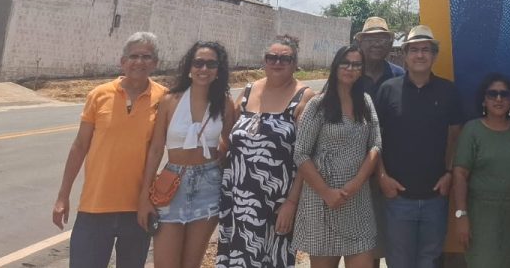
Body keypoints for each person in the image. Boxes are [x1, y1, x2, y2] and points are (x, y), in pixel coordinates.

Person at [52, 31, 166, 268]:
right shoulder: (99, 95)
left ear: (155, 63)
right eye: (133, 56)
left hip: (138, 209)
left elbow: (159, 150)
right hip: (95, 206)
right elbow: (80, 146)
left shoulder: (164, 98)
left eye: (146, 57)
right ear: (122, 61)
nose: (139, 62)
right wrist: (63, 195)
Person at [216, 34, 315, 268]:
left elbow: (307, 155)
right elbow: (227, 136)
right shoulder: (249, 91)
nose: (277, 63)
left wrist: (292, 203)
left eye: (285, 59)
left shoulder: (305, 97)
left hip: (276, 201)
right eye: (272, 57)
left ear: (295, 63)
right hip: (237, 196)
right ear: (264, 61)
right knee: (238, 258)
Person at [138, 41, 237, 268]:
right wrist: (144, 196)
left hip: (209, 185)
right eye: (198, 63)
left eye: (211, 64)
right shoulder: (170, 100)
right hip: (172, 183)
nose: (204, 69)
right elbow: (156, 149)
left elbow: (231, 143)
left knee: (192, 263)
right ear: (189, 67)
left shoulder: (224, 104)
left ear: (219, 70)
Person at [374, 24, 465, 268]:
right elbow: (374, 138)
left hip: (436, 197)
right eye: (414, 50)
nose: (420, 55)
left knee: (430, 261)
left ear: (434, 55)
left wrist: (449, 173)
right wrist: (382, 176)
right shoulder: (388, 90)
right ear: (404, 55)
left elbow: (456, 135)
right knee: (399, 262)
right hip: (397, 198)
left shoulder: (448, 91)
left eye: (426, 50)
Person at [292, 44, 382, 268]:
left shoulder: (365, 102)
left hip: (357, 201)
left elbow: (375, 145)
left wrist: (356, 183)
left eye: (356, 65)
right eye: (345, 63)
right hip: (322, 202)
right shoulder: (318, 104)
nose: (350, 68)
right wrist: (326, 193)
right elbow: (301, 153)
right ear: (335, 66)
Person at [452, 73, 510, 268]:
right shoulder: (472, 130)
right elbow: (460, 174)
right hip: (480, 215)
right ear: (484, 100)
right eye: (492, 94)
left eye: (504, 94)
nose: (498, 99)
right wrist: (461, 215)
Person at [357, 15, 405, 265]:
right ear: (360, 43)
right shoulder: (349, 73)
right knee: (361, 243)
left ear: (390, 43)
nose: (377, 44)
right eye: (370, 39)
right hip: (353, 169)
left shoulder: (400, 76)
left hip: (392, 168)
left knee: (390, 238)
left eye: (382, 39)